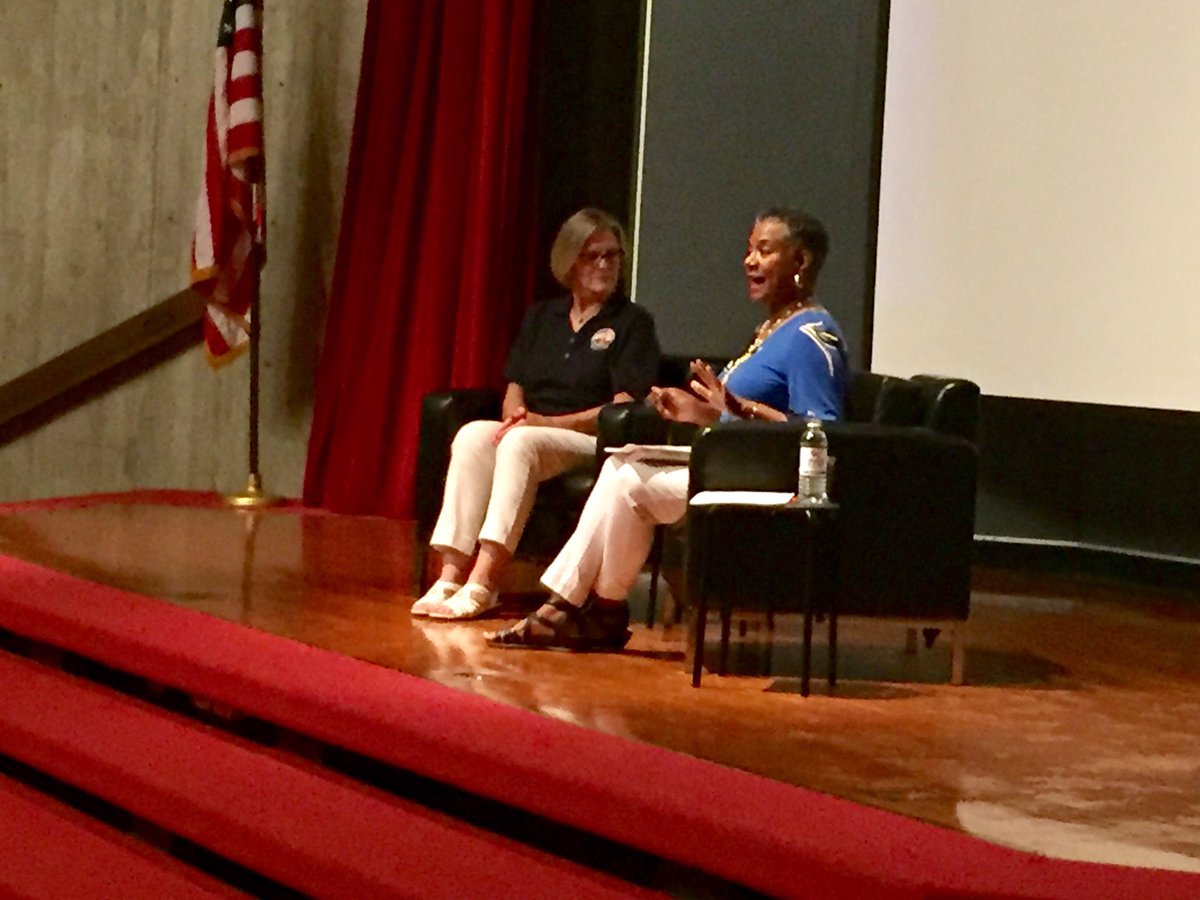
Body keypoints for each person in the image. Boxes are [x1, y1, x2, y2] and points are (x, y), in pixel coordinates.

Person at [487, 207, 847, 651]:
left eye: (765, 251)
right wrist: (699, 412)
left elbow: (822, 433)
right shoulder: (774, 330)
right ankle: (597, 608)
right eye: (749, 250)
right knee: (623, 467)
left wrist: (737, 408)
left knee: (627, 477)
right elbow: (731, 416)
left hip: (770, 482)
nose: (749, 261)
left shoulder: (812, 336)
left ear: (802, 262)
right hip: (729, 466)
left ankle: (580, 608)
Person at [412, 208, 660, 621]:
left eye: (612, 256)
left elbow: (623, 405)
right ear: (569, 262)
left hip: (590, 438)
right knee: (474, 436)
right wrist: (515, 416)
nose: (603, 265)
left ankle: (485, 579)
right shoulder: (542, 316)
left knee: (522, 442)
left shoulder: (633, 323)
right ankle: (450, 574)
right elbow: (516, 385)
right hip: (532, 429)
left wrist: (546, 424)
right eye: (592, 255)